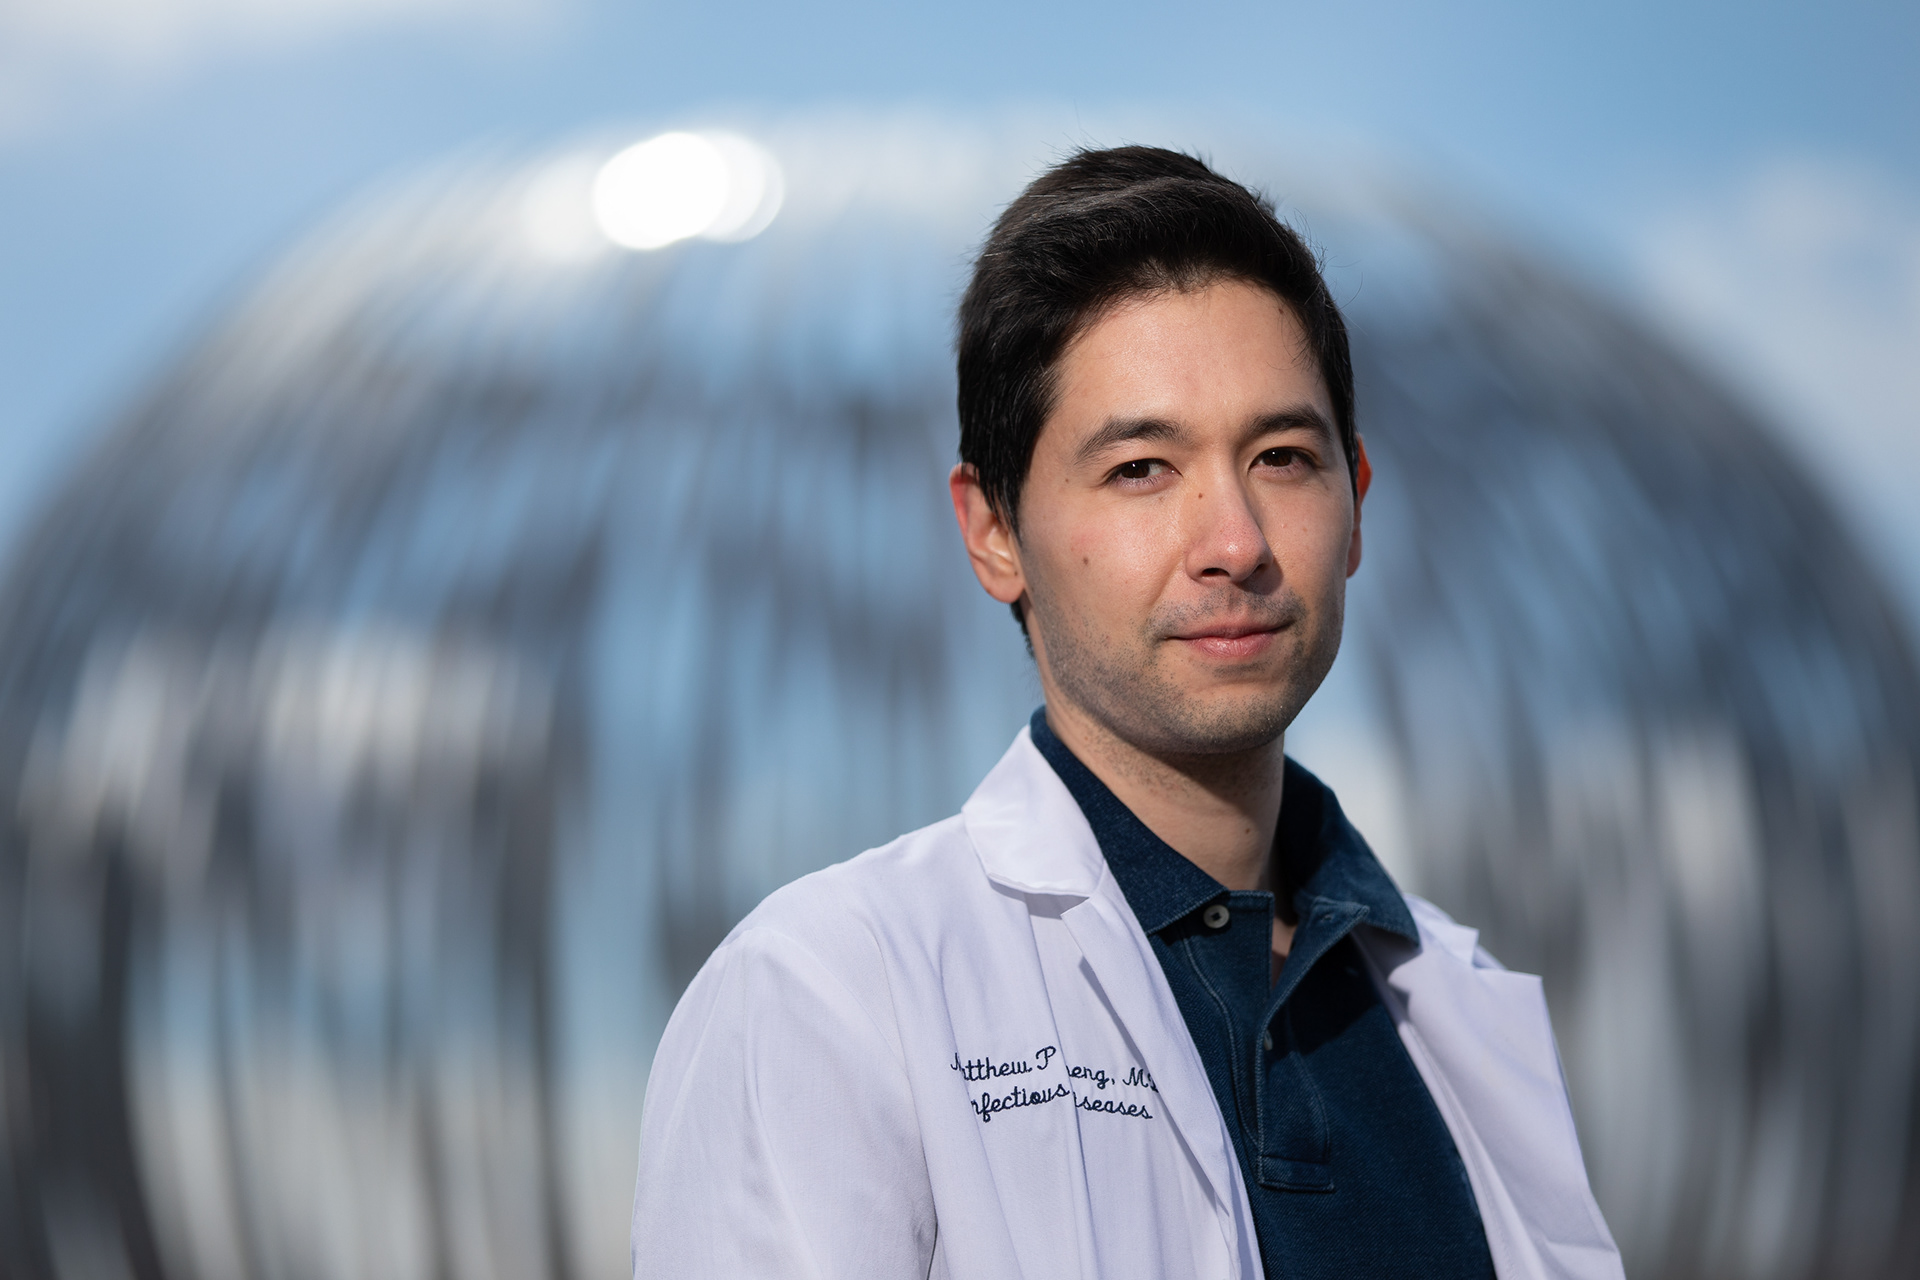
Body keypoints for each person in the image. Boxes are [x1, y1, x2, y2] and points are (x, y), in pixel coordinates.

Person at [631, 145, 1623, 1280]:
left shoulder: (1439, 1003)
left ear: (1355, 503)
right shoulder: (830, 994)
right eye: (1143, 468)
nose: (1236, 543)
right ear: (992, 529)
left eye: (1283, 456)